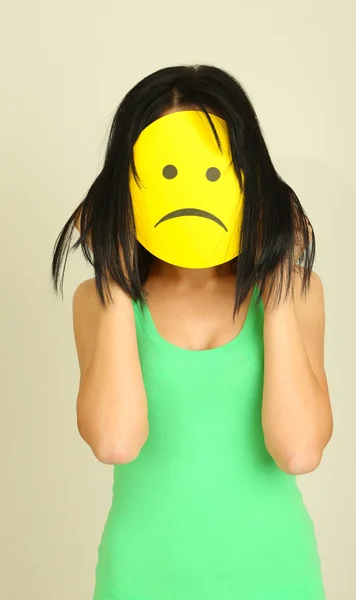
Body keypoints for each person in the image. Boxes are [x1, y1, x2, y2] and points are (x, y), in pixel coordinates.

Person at [52, 64, 333, 600]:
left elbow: (299, 452)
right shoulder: (99, 301)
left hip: (277, 578)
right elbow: (115, 441)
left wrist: (273, 286)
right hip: (139, 581)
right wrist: (112, 275)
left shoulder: (298, 292)